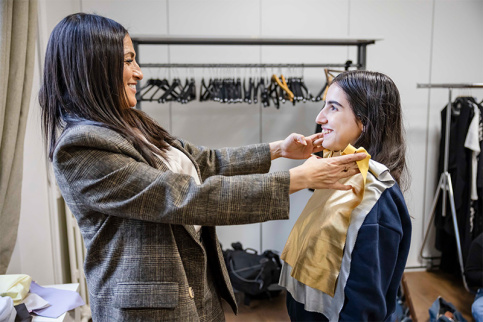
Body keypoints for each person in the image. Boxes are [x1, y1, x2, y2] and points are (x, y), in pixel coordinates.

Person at [38, 13, 366, 321]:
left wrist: (278, 150)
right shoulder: (81, 148)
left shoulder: (131, 121)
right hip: (150, 307)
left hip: (195, 284)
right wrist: (294, 180)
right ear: (94, 68)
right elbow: (184, 197)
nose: (138, 72)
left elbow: (202, 162)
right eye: (128, 61)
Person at [280, 70, 412, 321]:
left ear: (365, 121)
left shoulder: (375, 199)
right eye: (324, 106)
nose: (320, 118)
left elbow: (365, 303)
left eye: (333, 107)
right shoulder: (337, 175)